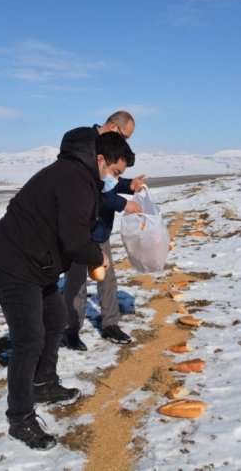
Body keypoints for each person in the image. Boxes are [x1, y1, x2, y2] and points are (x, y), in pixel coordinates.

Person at [0, 130, 132, 450]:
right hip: (10, 268)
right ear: (100, 159)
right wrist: (98, 256)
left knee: (55, 317)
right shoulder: (74, 179)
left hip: (35, 266)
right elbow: (75, 240)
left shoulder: (79, 176)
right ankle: (20, 417)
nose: (114, 179)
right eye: (116, 172)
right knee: (29, 339)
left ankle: (44, 383)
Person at [60, 111, 145, 350]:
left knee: (107, 277)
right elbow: (97, 189)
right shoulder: (83, 143)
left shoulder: (110, 149)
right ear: (114, 127)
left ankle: (110, 324)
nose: (126, 142)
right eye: (125, 136)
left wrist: (129, 185)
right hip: (80, 228)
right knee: (76, 281)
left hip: (101, 227)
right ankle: (71, 329)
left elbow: (110, 181)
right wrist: (124, 203)